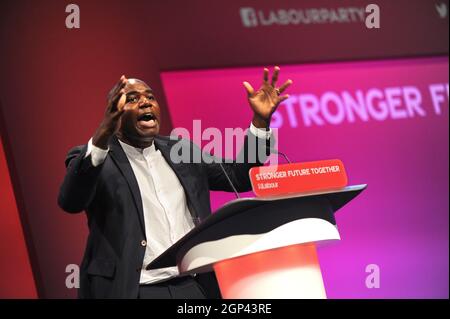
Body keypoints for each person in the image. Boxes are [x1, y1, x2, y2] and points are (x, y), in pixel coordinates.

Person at [57, 67, 292, 299]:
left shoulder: (182, 151)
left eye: (150, 97)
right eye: (132, 98)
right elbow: (71, 201)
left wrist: (261, 122)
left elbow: (238, 177)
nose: (146, 102)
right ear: (114, 115)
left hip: (193, 286)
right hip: (134, 289)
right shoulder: (97, 157)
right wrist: (102, 134)